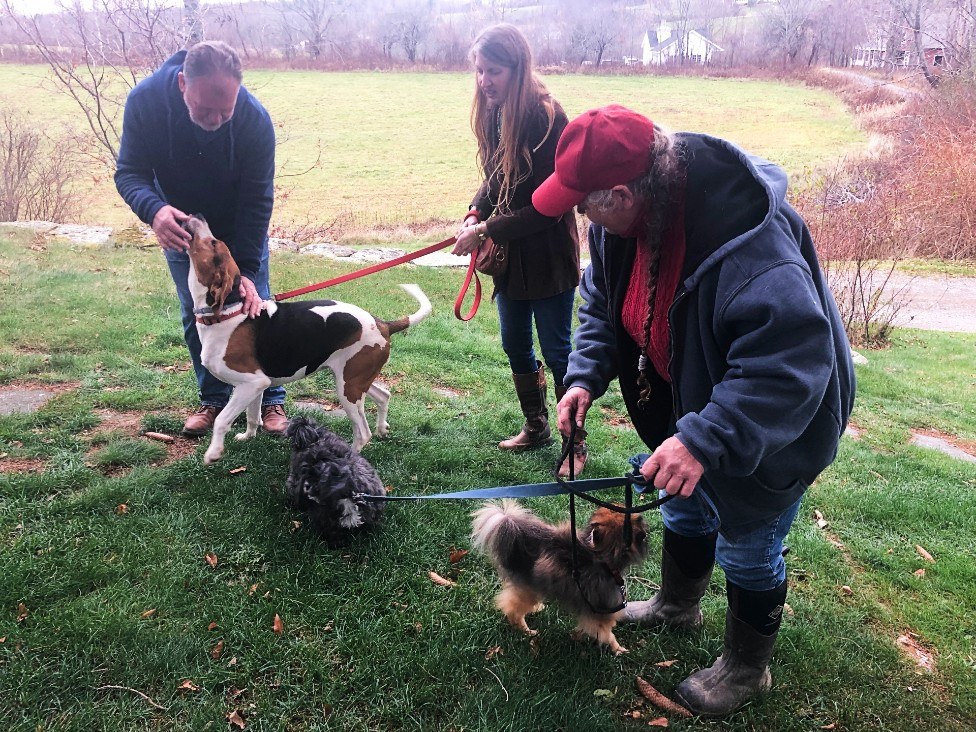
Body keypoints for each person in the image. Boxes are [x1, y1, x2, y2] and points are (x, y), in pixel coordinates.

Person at [536, 105, 855, 717]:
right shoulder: (618, 226)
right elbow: (601, 305)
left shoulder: (749, 248)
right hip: (692, 408)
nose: (581, 215)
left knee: (749, 539)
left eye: (585, 203)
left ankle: (745, 669)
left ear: (624, 193)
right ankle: (677, 605)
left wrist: (705, 439)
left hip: (772, 422)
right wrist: (584, 376)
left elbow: (787, 365)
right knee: (684, 502)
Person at [114, 40, 288, 437]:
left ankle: (271, 399)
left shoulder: (253, 120)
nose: (215, 117)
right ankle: (213, 398)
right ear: (181, 84)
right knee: (198, 313)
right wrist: (154, 210)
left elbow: (258, 199)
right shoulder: (145, 103)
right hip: (184, 231)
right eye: (205, 109)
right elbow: (129, 173)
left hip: (238, 226)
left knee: (255, 303)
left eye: (224, 109)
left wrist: (245, 267)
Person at [451, 23, 585, 477]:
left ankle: (574, 443)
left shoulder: (549, 118)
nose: (484, 81)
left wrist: (488, 227)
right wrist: (474, 211)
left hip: (548, 257)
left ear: (518, 68)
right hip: (512, 262)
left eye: (494, 71)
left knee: (559, 351)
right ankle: (538, 425)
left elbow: (548, 206)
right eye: (479, 71)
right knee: (514, 344)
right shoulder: (494, 111)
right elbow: (496, 177)